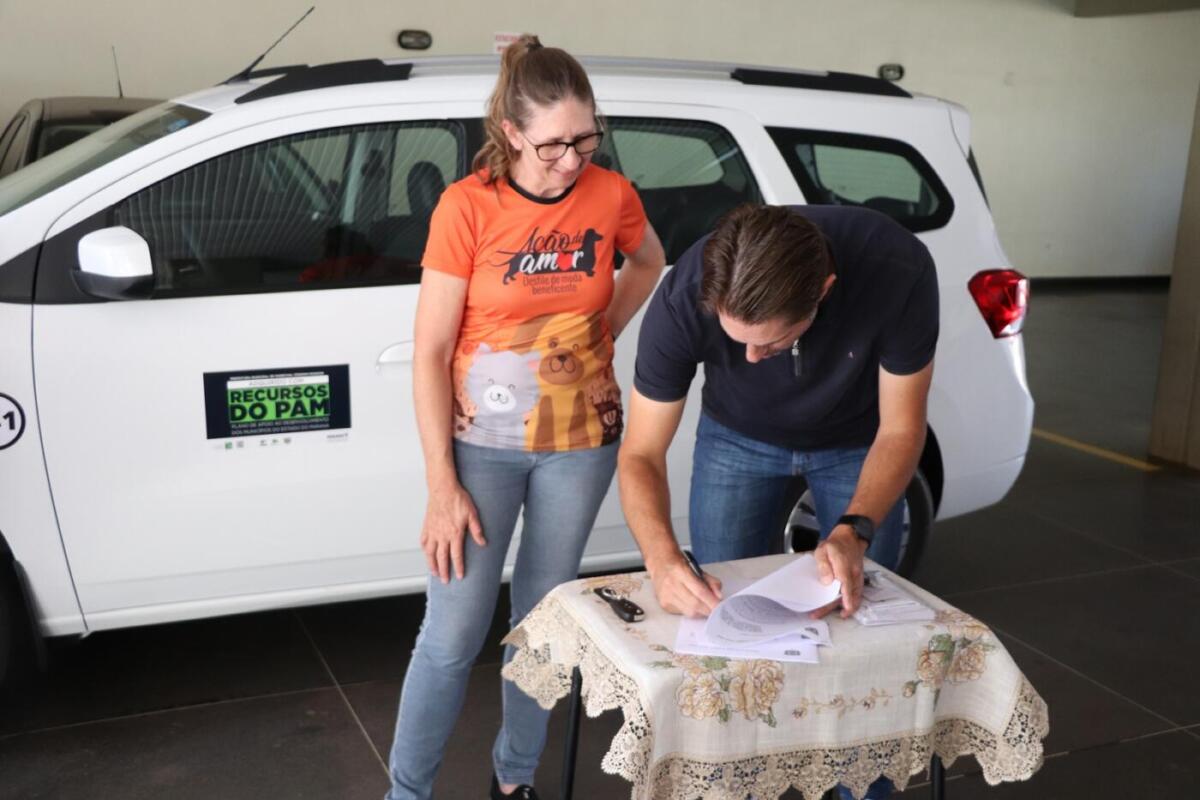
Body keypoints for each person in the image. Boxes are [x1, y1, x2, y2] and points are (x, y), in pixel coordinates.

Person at [386, 35, 666, 800]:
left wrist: (604, 330)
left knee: (544, 621)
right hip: (481, 446)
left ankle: (514, 780)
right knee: (452, 633)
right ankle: (405, 794)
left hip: (581, 443)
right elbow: (430, 350)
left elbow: (648, 260)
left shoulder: (611, 195)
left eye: (585, 140)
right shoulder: (467, 207)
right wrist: (441, 486)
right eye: (553, 145)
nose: (572, 161)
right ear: (511, 132)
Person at [617, 203, 937, 799]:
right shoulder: (685, 294)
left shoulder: (897, 268)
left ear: (824, 292)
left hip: (857, 441)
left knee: (860, 632)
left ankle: (860, 786)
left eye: (769, 343)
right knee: (722, 627)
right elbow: (640, 453)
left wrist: (853, 528)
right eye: (736, 340)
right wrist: (661, 560)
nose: (750, 359)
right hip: (735, 438)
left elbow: (901, 429)